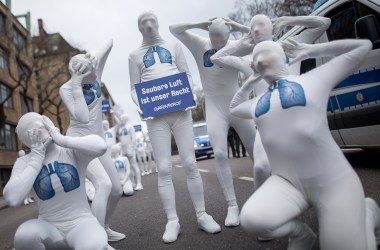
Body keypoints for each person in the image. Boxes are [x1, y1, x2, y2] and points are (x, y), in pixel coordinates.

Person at [230, 37, 380, 249]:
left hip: (333, 182)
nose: (260, 60)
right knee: (252, 220)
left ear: (284, 57)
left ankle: (368, 213)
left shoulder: (313, 80)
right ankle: (301, 235)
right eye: (256, 59)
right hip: (287, 182)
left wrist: (311, 50)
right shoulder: (256, 103)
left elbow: (363, 47)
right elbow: (234, 107)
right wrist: (251, 80)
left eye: (266, 53)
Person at [211, 14, 331, 193]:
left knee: (315, 168)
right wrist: (239, 44)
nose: (257, 30)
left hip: (297, 116)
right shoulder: (249, 62)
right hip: (267, 121)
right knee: (261, 167)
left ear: (273, 28)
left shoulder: (290, 45)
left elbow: (324, 23)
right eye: (253, 28)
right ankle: (265, 211)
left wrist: (290, 20)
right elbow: (216, 58)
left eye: (261, 25)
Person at [129, 11, 221, 243]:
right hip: (156, 117)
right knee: (164, 167)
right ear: (139, 28)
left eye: (151, 21)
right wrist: (139, 104)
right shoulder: (133, 55)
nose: (148, 26)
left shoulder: (173, 45)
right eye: (143, 23)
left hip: (180, 111)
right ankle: (172, 220)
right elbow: (133, 87)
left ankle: (202, 214)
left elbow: (186, 74)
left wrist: (187, 93)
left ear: (157, 24)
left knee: (190, 162)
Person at [170, 17, 256, 226]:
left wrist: (238, 27)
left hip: (237, 102)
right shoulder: (199, 44)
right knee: (219, 153)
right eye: (215, 38)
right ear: (209, 34)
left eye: (223, 39)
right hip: (214, 106)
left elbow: (259, 37)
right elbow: (174, 28)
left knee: (256, 150)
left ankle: (265, 197)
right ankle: (232, 206)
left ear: (228, 36)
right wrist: (197, 24)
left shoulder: (236, 45)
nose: (219, 43)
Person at [3, 113, 108, 250]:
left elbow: (100, 146)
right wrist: (36, 159)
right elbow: (12, 198)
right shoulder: (24, 162)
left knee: (94, 244)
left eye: (41, 126)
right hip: (49, 228)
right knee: (25, 235)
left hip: (81, 224)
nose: (39, 131)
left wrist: (63, 139)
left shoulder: (70, 150)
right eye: (31, 132)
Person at [60, 40, 125, 242]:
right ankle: (95, 240)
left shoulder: (94, 75)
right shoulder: (67, 89)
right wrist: (77, 86)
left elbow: (109, 43)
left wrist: (90, 57)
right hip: (80, 142)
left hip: (99, 142)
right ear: (78, 75)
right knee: (103, 185)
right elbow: (83, 117)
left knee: (116, 189)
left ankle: (104, 227)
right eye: (91, 74)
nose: (96, 76)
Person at [118, 114, 143, 190]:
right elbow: (122, 140)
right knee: (128, 168)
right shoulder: (120, 129)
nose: (121, 119)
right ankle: (132, 183)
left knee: (134, 166)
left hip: (129, 149)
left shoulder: (130, 127)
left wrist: (131, 149)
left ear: (126, 119)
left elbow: (134, 139)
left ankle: (139, 183)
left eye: (122, 118)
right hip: (123, 150)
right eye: (120, 118)